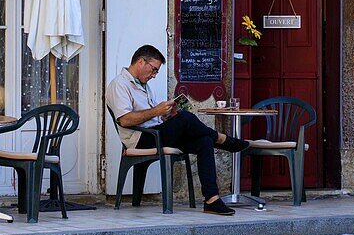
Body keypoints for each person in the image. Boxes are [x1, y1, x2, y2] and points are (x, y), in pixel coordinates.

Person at [105, 44, 249, 216]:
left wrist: (164, 115)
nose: (154, 75)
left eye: (156, 71)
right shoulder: (119, 84)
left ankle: (211, 200)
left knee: (204, 141)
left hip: (156, 132)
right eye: (153, 70)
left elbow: (149, 115)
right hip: (141, 139)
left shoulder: (144, 85)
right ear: (141, 62)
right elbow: (125, 119)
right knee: (186, 119)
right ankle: (223, 139)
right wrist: (156, 111)